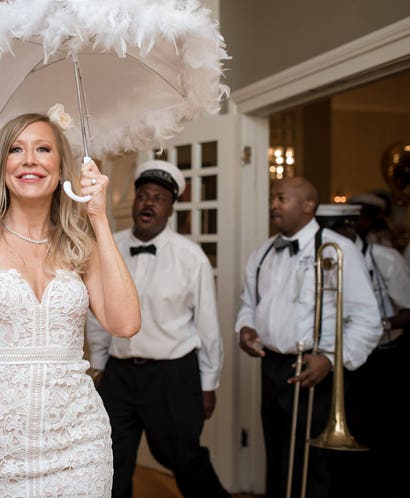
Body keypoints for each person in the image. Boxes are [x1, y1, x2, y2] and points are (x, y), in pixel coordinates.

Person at [0, 110, 140, 498]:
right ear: (2, 165)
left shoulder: (80, 245)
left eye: (43, 149)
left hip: (79, 445)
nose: (29, 160)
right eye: (16, 149)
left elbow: (125, 323)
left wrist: (99, 218)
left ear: (61, 167)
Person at [86, 160, 229, 498]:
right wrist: (101, 366)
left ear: (170, 209)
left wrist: (208, 383)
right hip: (119, 375)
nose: (148, 203)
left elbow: (208, 325)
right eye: (143, 196)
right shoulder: (109, 247)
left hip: (173, 375)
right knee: (112, 460)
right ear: (134, 202)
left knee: (184, 457)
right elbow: (98, 314)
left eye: (159, 198)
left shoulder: (190, 257)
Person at [235, 177, 381, 498]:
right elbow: (249, 304)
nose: (273, 204)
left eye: (281, 198)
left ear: (308, 206)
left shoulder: (338, 249)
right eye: (272, 198)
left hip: (315, 371)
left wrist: (330, 359)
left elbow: (369, 321)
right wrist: (246, 329)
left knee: (311, 467)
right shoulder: (262, 254)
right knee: (276, 457)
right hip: (271, 368)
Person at [316, 203, 410, 498]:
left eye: (333, 229)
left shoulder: (385, 258)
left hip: (381, 355)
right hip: (334, 358)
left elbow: (409, 309)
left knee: (378, 428)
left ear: (351, 226)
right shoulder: (316, 255)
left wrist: (374, 324)